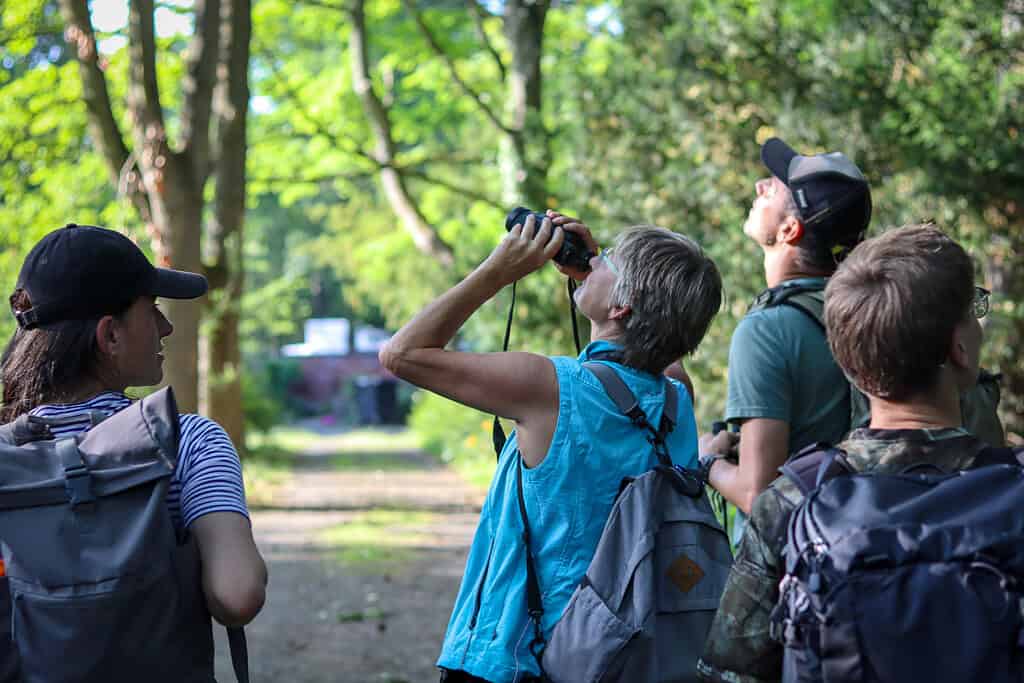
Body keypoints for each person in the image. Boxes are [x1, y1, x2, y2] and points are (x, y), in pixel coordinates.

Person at [379, 211, 722, 683]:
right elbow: (661, 343)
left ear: (623, 305)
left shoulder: (548, 388)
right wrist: (597, 277)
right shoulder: (675, 401)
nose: (596, 259)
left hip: (519, 656)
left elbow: (401, 353)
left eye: (609, 260)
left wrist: (498, 271)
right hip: (619, 652)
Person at [697, 224, 994, 682]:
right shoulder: (1008, 488)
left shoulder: (792, 503)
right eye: (973, 311)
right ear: (958, 346)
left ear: (849, 360)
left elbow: (730, 673)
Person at [1, 224, 267, 671]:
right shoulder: (189, 441)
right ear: (110, 336)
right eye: (152, 310)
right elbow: (237, 595)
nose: (165, 327)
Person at [701, 138, 872, 520]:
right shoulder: (872, 313)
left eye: (774, 187)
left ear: (789, 230)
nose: (760, 186)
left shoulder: (768, 330)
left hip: (794, 565)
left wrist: (707, 460)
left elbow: (758, 494)